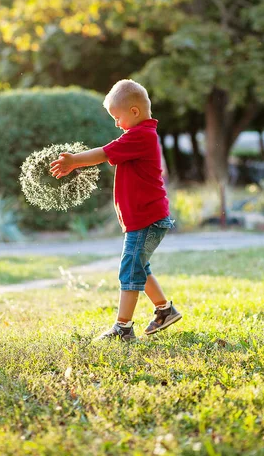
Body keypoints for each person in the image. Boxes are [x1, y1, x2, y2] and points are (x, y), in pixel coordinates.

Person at [50, 79, 182, 341]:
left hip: (147, 219)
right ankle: (165, 310)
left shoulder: (140, 136)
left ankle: (123, 328)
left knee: (129, 269)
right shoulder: (140, 135)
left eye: (117, 117)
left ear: (134, 112)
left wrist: (75, 161)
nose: (116, 124)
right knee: (139, 267)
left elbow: (104, 153)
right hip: (145, 219)